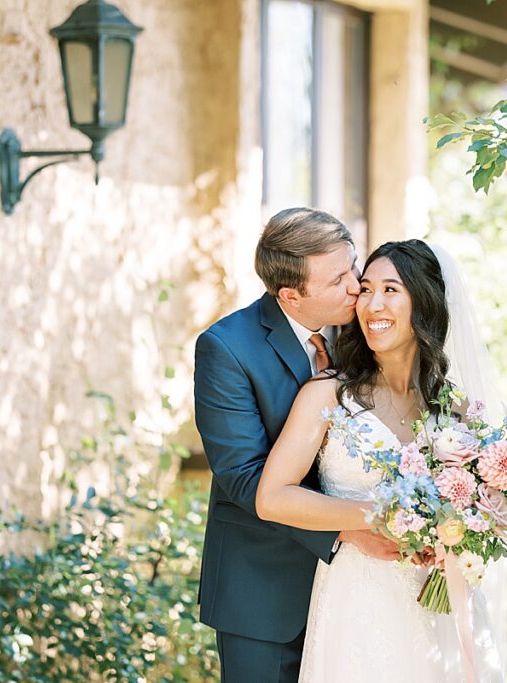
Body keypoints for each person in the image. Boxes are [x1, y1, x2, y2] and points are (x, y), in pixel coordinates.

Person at [256, 239, 507, 682]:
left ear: (424, 302)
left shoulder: (456, 409)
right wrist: (381, 517)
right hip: (357, 606)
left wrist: (463, 531)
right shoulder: (328, 394)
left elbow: (484, 508)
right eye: (365, 289)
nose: (372, 304)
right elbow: (272, 498)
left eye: (391, 290)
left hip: (438, 603)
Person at [194, 207, 401, 683]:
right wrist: (347, 530)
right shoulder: (227, 349)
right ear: (291, 294)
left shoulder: (366, 330)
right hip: (264, 591)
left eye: (353, 265)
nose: (356, 286)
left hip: (362, 593)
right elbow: (244, 479)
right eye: (338, 280)